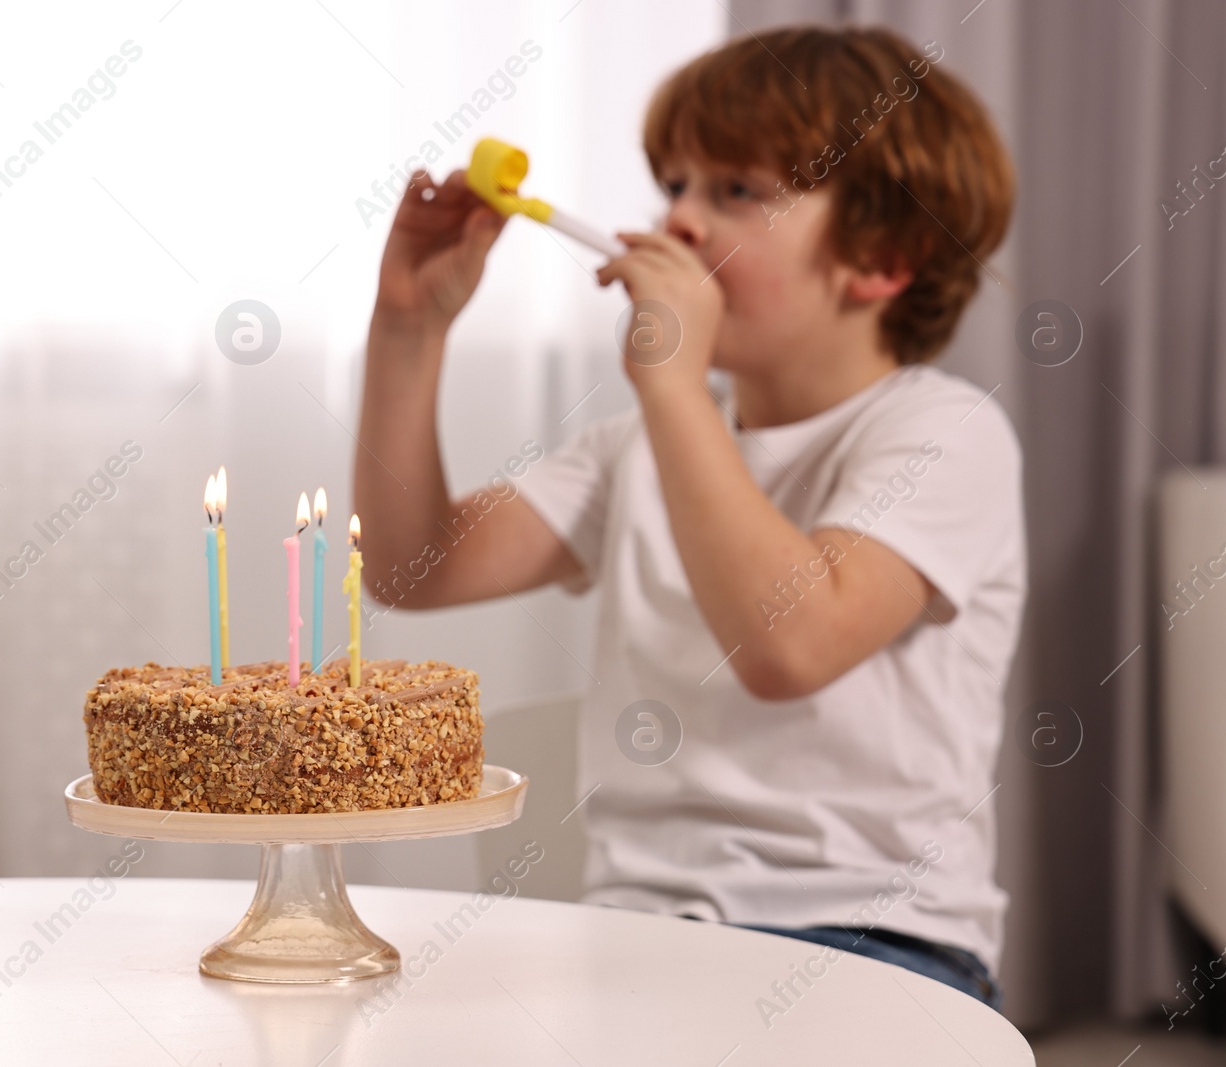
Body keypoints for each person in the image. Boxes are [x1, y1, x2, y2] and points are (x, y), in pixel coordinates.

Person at [353, 24, 1021, 1010]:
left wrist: (670, 387)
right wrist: (408, 327)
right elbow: (412, 567)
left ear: (880, 256)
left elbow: (789, 645)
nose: (679, 223)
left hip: (873, 940)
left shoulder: (946, 432)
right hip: (638, 930)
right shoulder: (636, 447)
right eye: (671, 185)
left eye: (734, 191)